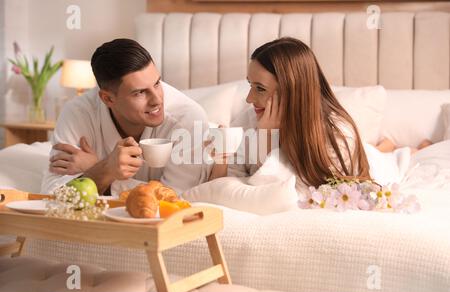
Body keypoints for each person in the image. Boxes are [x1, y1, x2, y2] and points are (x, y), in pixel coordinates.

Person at [41, 39, 210, 195]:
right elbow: (51, 193)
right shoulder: (78, 113)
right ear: (108, 98)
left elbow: (175, 198)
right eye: (140, 92)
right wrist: (107, 169)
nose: (157, 100)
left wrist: (100, 169)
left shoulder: (189, 119)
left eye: (157, 83)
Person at [208, 37, 371, 193]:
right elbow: (219, 190)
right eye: (250, 85)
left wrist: (267, 138)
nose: (249, 98)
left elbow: (298, 196)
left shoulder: (338, 135)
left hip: (372, 160)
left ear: (293, 92)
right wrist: (221, 158)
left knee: (377, 153)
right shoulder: (250, 119)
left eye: (260, 88)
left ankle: (385, 146)